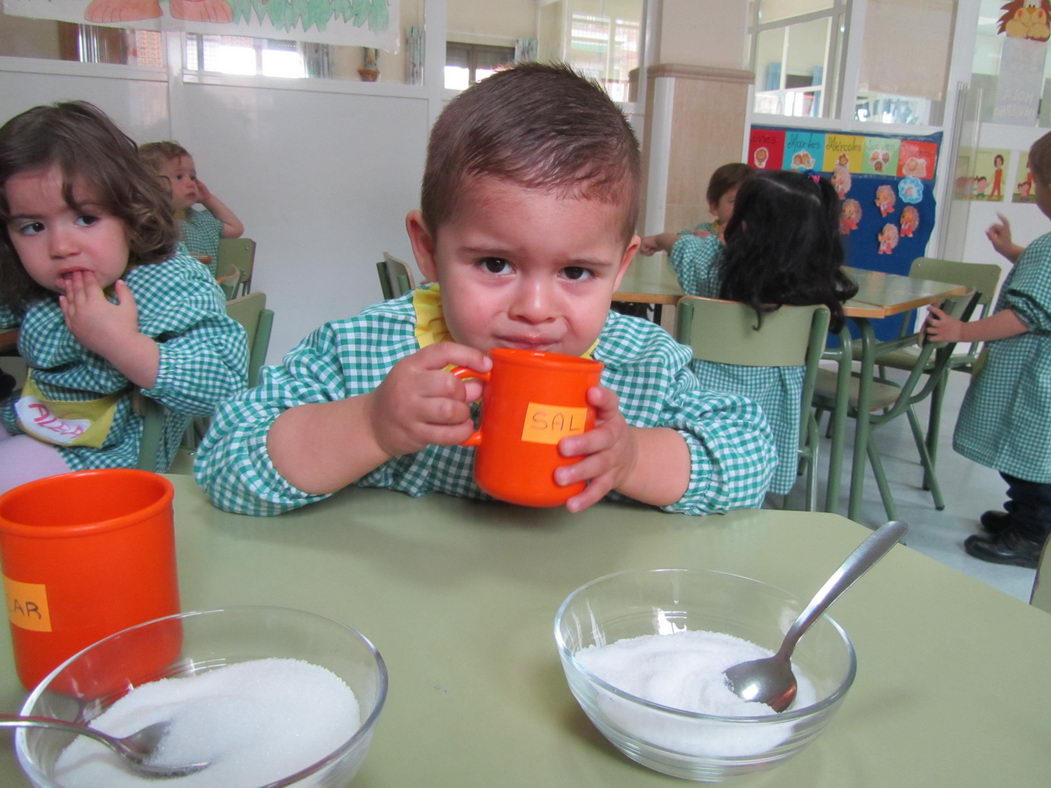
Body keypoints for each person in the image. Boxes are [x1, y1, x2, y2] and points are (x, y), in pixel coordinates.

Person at [193, 63, 777, 517]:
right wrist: (369, 424)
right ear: (428, 248)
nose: (535, 310)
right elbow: (224, 460)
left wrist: (632, 457)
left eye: (576, 273)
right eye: (495, 263)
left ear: (620, 268)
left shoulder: (641, 367)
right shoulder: (363, 354)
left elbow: (755, 459)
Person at [0, 101, 248, 493]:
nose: (61, 246)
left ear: (132, 214)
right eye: (32, 227)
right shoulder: (40, 285)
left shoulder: (167, 280)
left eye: (86, 219)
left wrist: (124, 345)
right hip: (34, 423)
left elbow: (224, 384)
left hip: (113, 457)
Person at [636, 170, 857, 497]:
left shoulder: (710, 265)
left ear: (744, 224)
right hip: (775, 417)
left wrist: (658, 240)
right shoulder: (819, 287)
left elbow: (679, 244)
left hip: (701, 411)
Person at [925, 132, 1051, 569]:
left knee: (1030, 461)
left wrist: (962, 330)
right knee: (1034, 457)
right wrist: (1012, 251)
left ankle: (1032, 535)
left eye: (1036, 183)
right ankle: (1026, 519)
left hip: (1034, 380)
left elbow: (1027, 314)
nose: (1034, 191)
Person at [139, 140, 244, 275]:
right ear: (150, 184)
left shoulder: (199, 220)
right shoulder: (150, 224)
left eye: (192, 177)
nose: (190, 183)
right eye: (179, 176)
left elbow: (236, 228)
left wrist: (208, 199)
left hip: (204, 292)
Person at [639, 163, 750, 253]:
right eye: (734, 201)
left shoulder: (757, 235)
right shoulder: (705, 230)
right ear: (715, 206)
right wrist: (659, 243)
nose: (743, 208)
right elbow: (682, 241)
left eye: (750, 202)